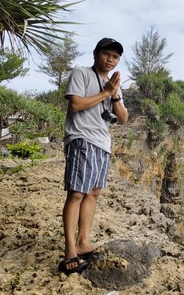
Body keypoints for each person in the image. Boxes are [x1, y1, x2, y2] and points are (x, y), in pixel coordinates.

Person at [58, 37, 129, 275]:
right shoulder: (81, 73)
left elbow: (123, 118)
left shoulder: (113, 85)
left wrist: (114, 94)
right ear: (96, 54)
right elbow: (76, 104)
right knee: (77, 192)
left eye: (115, 57)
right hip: (81, 138)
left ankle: (83, 242)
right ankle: (70, 251)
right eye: (107, 54)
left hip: (102, 143)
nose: (110, 59)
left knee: (93, 193)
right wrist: (105, 93)